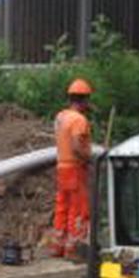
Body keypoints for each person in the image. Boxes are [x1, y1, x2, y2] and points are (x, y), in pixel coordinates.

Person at [51, 78, 94, 258]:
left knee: (62, 206)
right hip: (76, 168)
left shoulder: (61, 117)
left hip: (61, 166)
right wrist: (89, 158)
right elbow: (77, 146)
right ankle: (73, 249)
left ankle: (57, 246)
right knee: (78, 208)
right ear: (84, 99)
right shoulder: (79, 120)